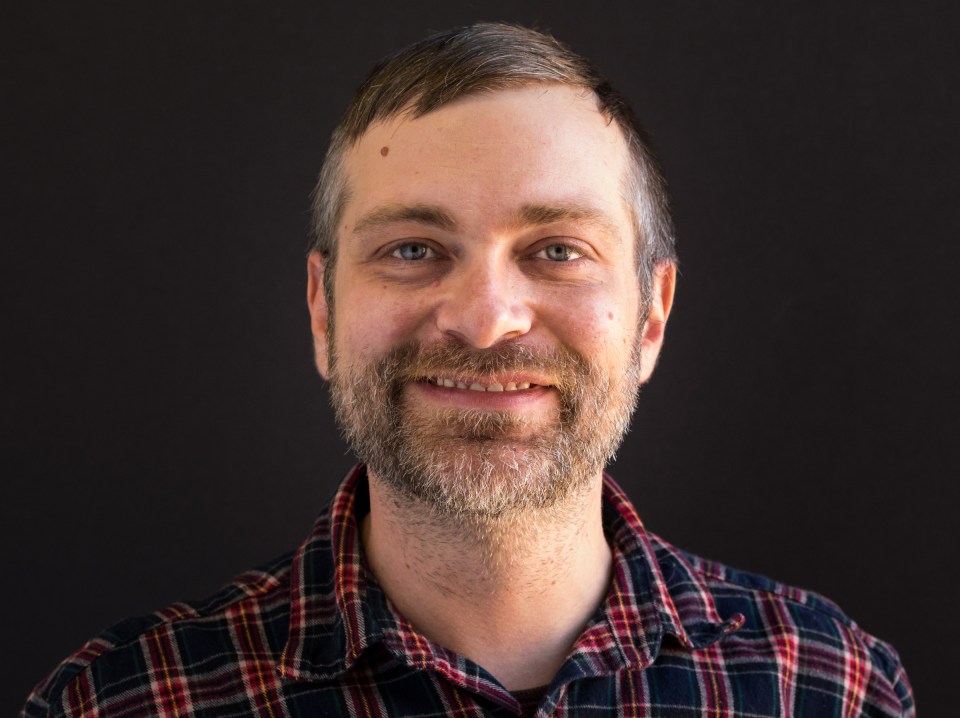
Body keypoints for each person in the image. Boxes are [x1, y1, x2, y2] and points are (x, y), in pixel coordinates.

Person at [22, 22, 914, 718]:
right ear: (323, 308)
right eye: (412, 248)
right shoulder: (119, 701)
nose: (486, 321)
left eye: (558, 250)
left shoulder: (828, 685)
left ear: (651, 316)